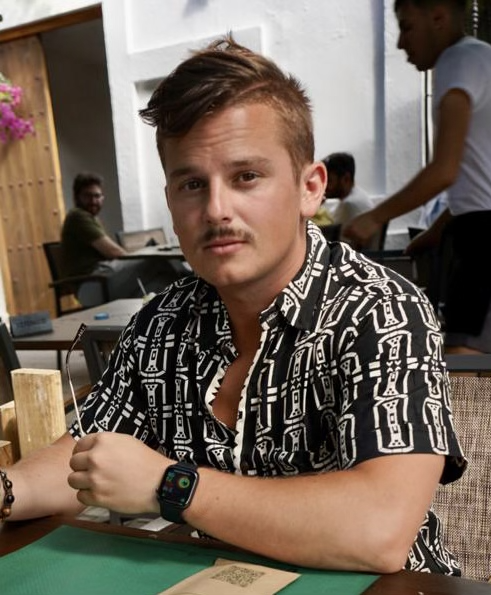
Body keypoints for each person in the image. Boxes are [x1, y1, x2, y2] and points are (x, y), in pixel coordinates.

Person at [0, 35, 466, 575]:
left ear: (310, 188)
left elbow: (379, 531)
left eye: (246, 176)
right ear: (171, 199)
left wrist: (169, 485)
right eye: (192, 184)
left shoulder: (381, 310)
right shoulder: (162, 322)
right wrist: (7, 490)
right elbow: (85, 453)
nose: (216, 209)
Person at [342, 0, 491, 355]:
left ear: (438, 17)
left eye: (406, 27)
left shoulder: (457, 61)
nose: (400, 43)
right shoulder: (483, 59)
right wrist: (436, 231)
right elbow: (487, 177)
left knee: (462, 358)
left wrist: (375, 217)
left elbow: (444, 169)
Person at [61, 172, 185, 306]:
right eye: (88, 196)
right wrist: (139, 260)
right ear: (77, 197)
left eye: (97, 196)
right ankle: (190, 279)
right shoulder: (78, 216)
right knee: (156, 260)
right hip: (92, 285)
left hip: (101, 281)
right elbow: (114, 252)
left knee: (160, 284)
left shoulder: (90, 218)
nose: (93, 201)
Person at [322, 152, 379, 249]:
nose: (324, 186)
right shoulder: (358, 195)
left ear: (346, 179)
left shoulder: (349, 204)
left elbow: (332, 243)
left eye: (329, 181)